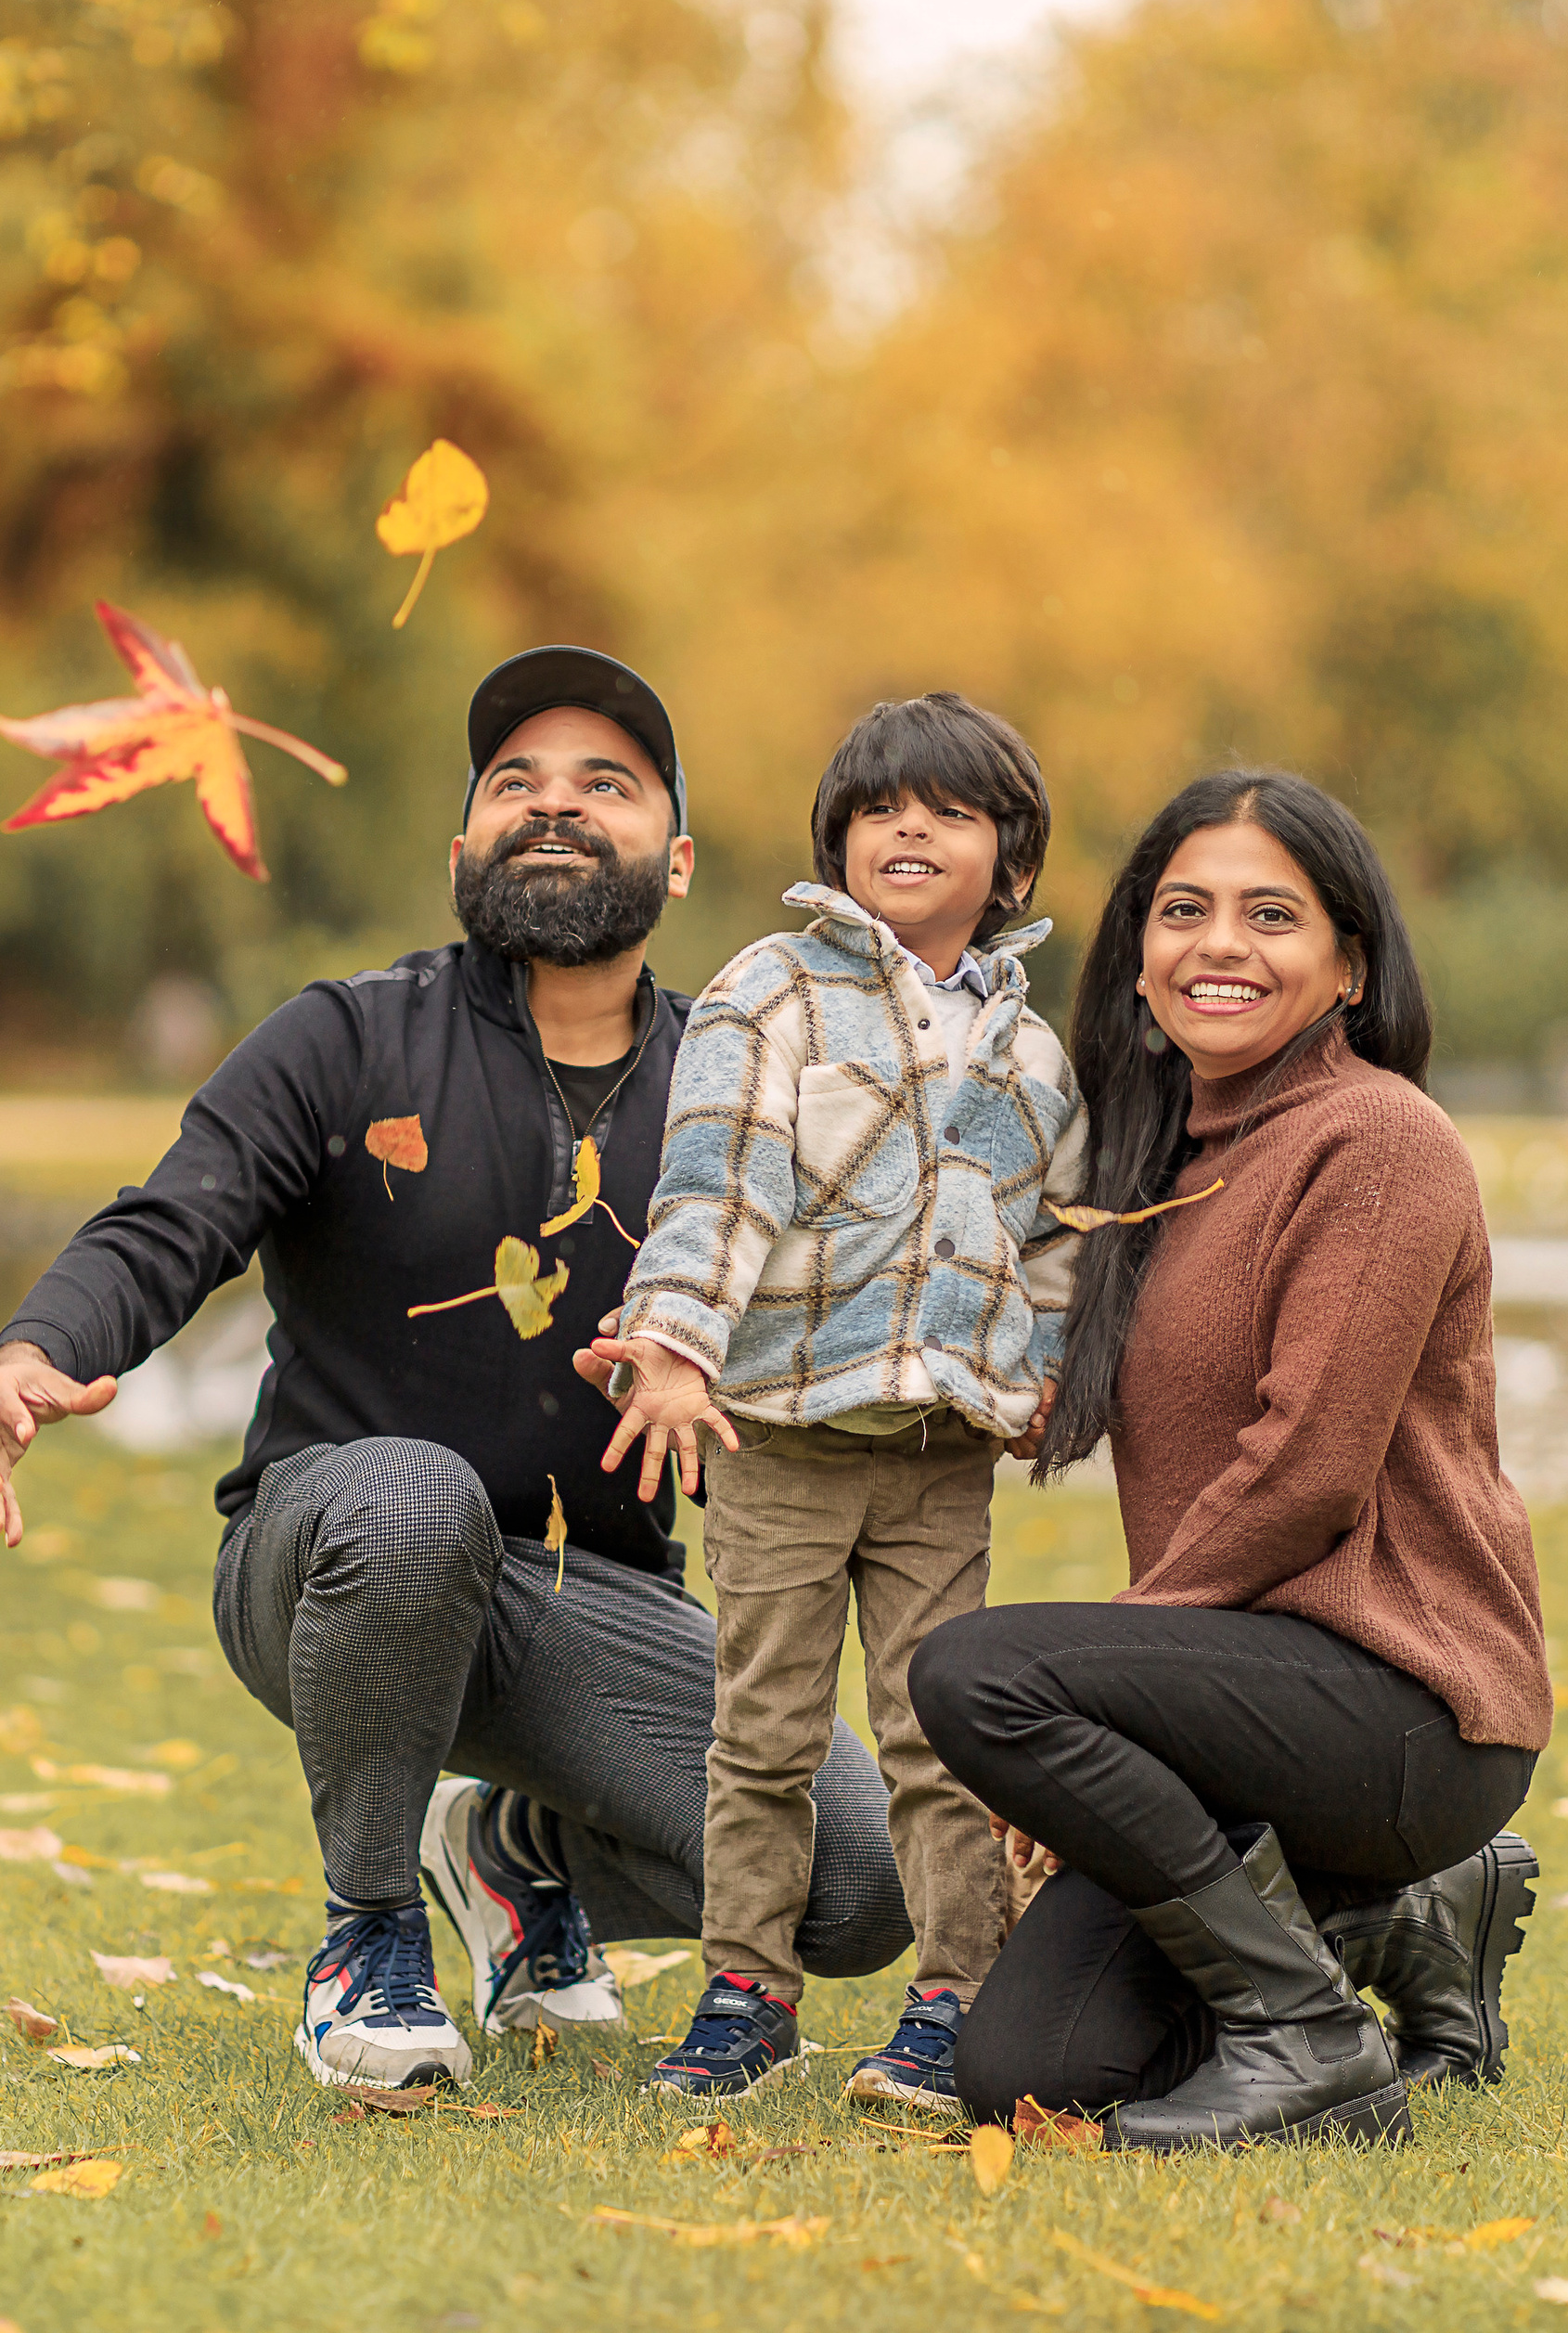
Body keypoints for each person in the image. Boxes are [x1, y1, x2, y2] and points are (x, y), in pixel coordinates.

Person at [0, 647, 911, 2093]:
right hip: (332, 1559)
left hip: (591, 1599)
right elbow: (172, 1220)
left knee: (859, 1885)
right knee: (413, 1500)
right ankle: (372, 1936)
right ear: (462, 850)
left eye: (607, 784)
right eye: (515, 783)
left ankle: (515, 1853)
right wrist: (42, 1344)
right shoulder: (344, 1039)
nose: (555, 805)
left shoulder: (743, 1091)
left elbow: (834, 1340)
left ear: (680, 860)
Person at [909, 769, 1547, 2152]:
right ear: (1139, 958)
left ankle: (1307, 2036)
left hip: (1405, 1702)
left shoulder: (1378, 1140)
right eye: (1183, 910)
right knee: (1030, 2072)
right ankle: (1405, 1920)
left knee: (976, 1674)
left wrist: (1104, 1691)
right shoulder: (1153, 1163)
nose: (1220, 945)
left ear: (1349, 967)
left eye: (1271, 915)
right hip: (1247, 1708)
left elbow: (1308, 1473)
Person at [579, 694, 1087, 2111]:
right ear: (838, 844)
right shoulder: (775, 993)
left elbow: (1051, 1242)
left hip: (935, 1456)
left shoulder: (1034, 1058)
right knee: (765, 1732)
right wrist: (674, 1343)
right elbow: (716, 1181)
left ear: (1012, 862)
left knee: (939, 1735)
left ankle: (956, 1998)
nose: (906, 831)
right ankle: (748, 1989)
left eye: (948, 813)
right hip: (782, 1435)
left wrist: (1038, 1375)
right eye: (878, 811)